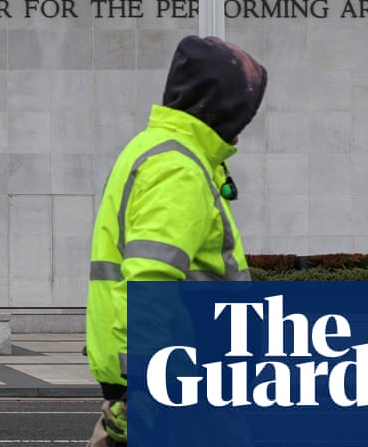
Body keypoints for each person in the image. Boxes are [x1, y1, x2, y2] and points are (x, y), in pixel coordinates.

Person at [85, 35, 268, 447]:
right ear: (221, 106)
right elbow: (151, 282)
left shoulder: (158, 150)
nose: (243, 126)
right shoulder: (178, 167)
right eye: (243, 111)